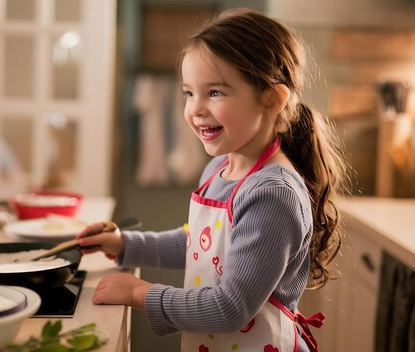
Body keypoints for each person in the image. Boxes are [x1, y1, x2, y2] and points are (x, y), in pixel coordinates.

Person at [77, 8, 348, 352]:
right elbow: (202, 247)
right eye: (189, 93)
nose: (195, 109)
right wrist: (126, 244)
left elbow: (229, 307)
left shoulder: (272, 194)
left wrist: (138, 293)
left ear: (272, 99)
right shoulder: (219, 168)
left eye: (216, 92)